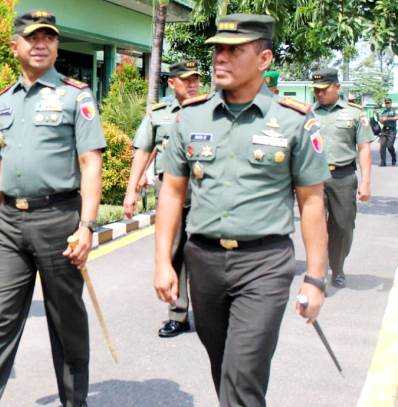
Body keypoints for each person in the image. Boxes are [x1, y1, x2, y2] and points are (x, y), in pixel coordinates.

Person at [154, 14, 329, 406]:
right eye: (218, 49)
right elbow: (171, 193)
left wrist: (316, 277)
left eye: (235, 50)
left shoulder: (293, 120)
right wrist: (163, 261)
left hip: (264, 263)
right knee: (224, 368)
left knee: (244, 372)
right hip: (204, 262)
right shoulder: (192, 116)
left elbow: (312, 202)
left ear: (264, 59)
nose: (221, 58)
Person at [0, 10, 105, 407]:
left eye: (49, 37)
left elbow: (90, 162)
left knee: (66, 322)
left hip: (58, 220)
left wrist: (87, 226)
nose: (41, 44)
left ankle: (74, 401)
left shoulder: (75, 95)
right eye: (32, 37)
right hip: (9, 223)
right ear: (15, 46)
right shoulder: (4, 102)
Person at [123, 61, 202, 338]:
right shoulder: (158, 115)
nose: (193, 85)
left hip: (206, 190)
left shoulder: (209, 111)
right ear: (172, 83)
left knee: (205, 252)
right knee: (174, 251)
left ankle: (210, 313)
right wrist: (131, 190)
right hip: (169, 191)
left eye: (196, 80)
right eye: (187, 80)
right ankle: (178, 315)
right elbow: (143, 152)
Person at [311, 68, 373, 288]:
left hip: (343, 177)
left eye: (324, 89)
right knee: (315, 225)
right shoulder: (307, 113)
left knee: (343, 226)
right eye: (316, 90)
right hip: (313, 178)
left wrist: (365, 182)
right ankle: (318, 269)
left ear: (337, 87)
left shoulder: (355, 113)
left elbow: (363, 148)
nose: (319, 94)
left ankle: (337, 266)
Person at [379, 97, 397, 166]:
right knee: (382, 146)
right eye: (386, 103)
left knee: (389, 146)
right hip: (384, 130)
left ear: (391, 103)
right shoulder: (384, 112)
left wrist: (387, 118)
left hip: (392, 130)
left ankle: (394, 157)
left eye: (388, 103)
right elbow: (381, 121)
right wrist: (380, 119)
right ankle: (383, 162)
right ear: (385, 104)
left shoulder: (394, 110)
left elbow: (396, 117)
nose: (387, 104)